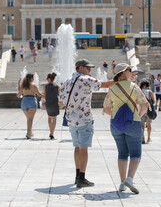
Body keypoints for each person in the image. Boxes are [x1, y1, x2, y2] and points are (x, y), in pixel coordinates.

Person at [59, 59, 114, 188]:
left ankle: (77, 176)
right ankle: (82, 178)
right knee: (84, 148)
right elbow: (105, 85)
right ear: (81, 68)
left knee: (77, 147)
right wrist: (120, 79)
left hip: (71, 120)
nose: (90, 71)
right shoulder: (86, 79)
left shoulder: (67, 81)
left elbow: (61, 103)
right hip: (84, 118)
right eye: (88, 68)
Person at [103, 63, 148, 194]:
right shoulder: (134, 87)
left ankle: (122, 183)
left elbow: (105, 108)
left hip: (116, 125)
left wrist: (117, 115)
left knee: (122, 153)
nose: (131, 72)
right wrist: (138, 115)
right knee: (136, 154)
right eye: (129, 70)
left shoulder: (112, 89)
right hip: (133, 122)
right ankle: (130, 179)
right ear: (123, 72)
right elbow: (144, 105)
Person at [17, 73, 44, 139]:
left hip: (24, 101)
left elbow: (18, 95)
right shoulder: (34, 85)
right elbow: (39, 94)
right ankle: (28, 133)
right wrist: (46, 95)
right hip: (32, 100)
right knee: (30, 119)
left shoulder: (23, 85)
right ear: (32, 78)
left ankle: (30, 132)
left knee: (28, 119)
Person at [44, 72, 59, 139]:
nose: (47, 80)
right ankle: (52, 133)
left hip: (49, 104)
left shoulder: (46, 86)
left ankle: (51, 132)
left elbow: (44, 95)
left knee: (49, 118)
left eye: (47, 78)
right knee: (54, 118)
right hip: (55, 103)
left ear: (49, 79)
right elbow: (59, 94)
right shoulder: (57, 86)